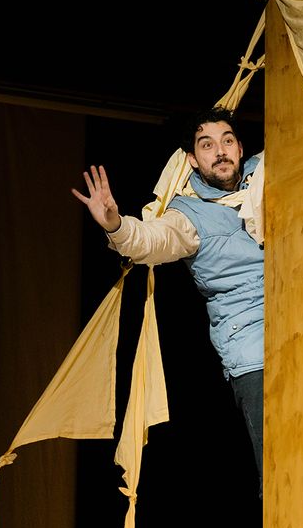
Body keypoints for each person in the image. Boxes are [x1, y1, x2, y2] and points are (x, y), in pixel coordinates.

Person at [72, 106, 264, 498]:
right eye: (207, 145)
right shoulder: (188, 214)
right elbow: (149, 241)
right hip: (253, 350)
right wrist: (115, 224)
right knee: (280, 466)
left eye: (227, 141)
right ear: (192, 159)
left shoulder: (264, 174)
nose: (220, 151)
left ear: (241, 148)